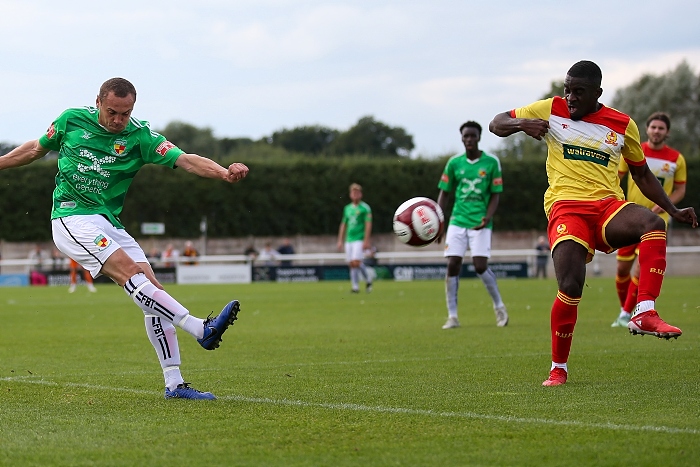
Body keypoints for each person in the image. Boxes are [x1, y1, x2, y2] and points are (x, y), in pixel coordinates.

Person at [0, 77, 249, 399]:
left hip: (109, 222)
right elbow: (34, 150)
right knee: (130, 274)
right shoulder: (70, 120)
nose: (119, 120)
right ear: (99, 102)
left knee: (153, 293)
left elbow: (185, 159)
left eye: (126, 113)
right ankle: (201, 328)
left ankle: (174, 384)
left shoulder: (140, 135)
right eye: (112, 112)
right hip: (71, 216)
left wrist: (224, 173)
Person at [488, 60, 697, 387]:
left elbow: (641, 174)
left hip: (607, 207)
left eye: (578, 92)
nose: (570, 97)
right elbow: (496, 123)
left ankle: (643, 312)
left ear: (597, 93)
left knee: (653, 223)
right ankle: (559, 367)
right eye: (567, 90)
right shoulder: (550, 108)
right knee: (570, 286)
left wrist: (674, 208)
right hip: (566, 208)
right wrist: (522, 125)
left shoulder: (622, 124)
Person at [611, 112, 687, 328]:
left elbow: (681, 190)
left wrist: (666, 204)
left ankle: (626, 313)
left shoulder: (676, 159)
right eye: (653, 127)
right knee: (622, 271)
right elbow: (617, 177)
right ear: (647, 129)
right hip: (629, 217)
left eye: (661, 128)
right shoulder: (635, 149)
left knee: (640, 269)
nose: (656, 131)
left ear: (667, 133)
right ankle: (625, 310)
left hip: (656, 221)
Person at [437, 121, 508, 329]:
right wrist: (439, 220)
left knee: (480, 266)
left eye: (472, 136)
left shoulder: (491, 162)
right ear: (461, 138)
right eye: (465, 136)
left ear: (479, 137)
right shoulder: (454, 163)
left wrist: (487, 217)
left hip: (480, 223)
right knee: (452, 265)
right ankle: (452, 316)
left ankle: (499, 307)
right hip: (457, 221)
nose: (469, 140)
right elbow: (444, 192)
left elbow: (495, 196)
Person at [337, 183, 373, 293]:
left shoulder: (365, 208)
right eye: (353, 193)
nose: (355, 195)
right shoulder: (347, 208)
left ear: (360, 194)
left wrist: (366, 240)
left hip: (359, 238)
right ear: (350, 195)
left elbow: (368, 224)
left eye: (357, 193)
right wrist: (340, 240)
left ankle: (357, 285)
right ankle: (359, 284)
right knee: (352, 263)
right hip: (349, 239)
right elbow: (343, 224)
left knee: (356, 262)